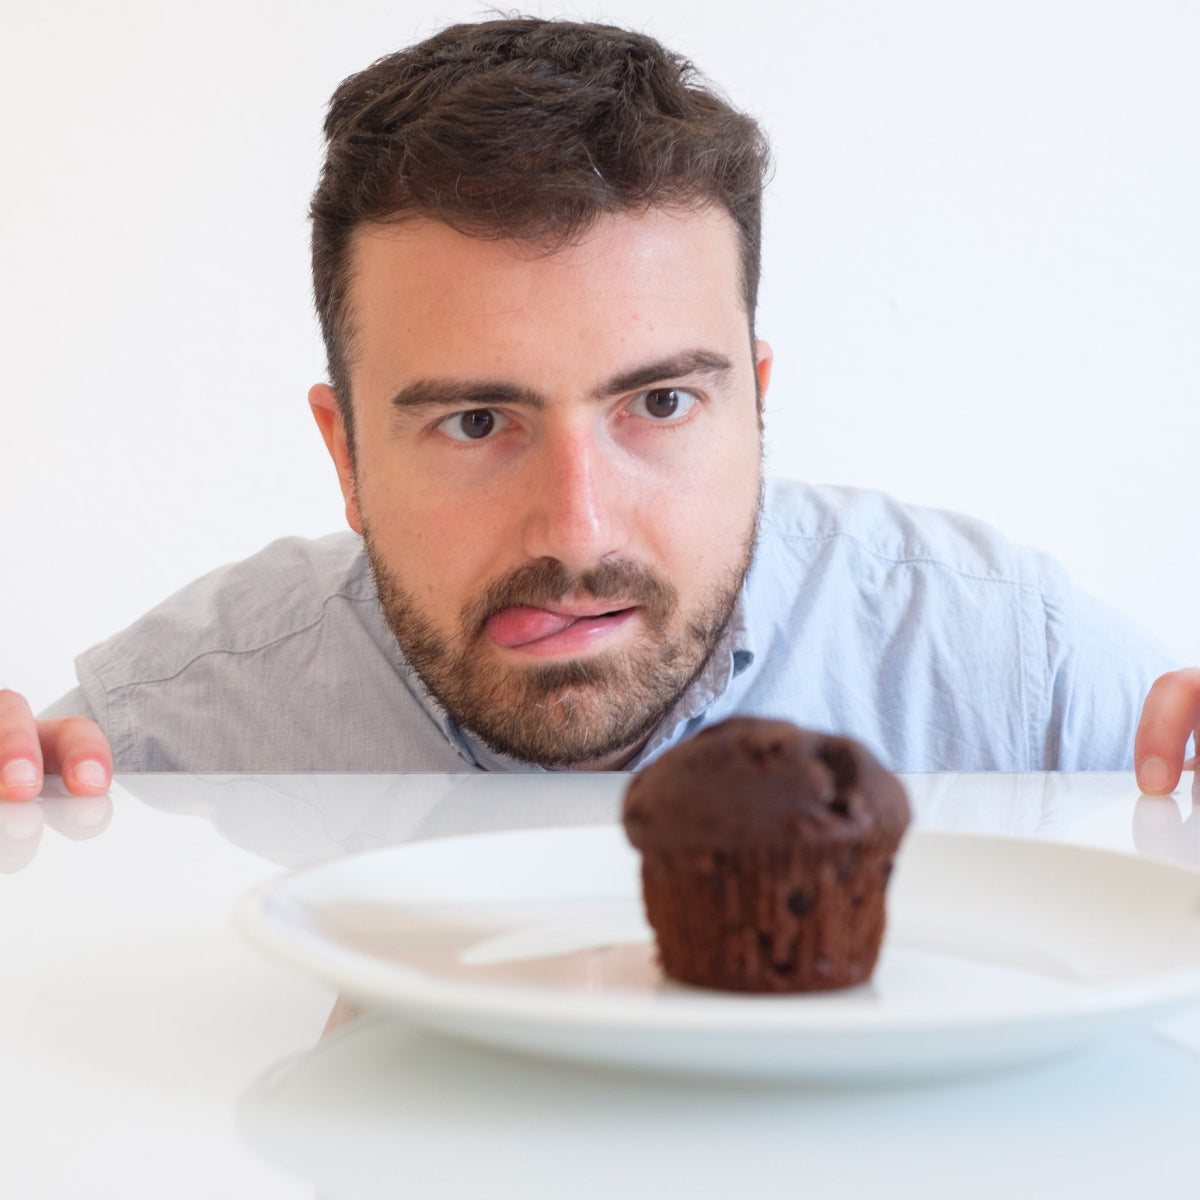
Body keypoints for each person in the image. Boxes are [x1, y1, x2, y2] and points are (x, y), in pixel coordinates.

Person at [0, 16, 1195, 803]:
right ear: (347, 454)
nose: (576, 533)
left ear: (757, 410)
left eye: (661, 403)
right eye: (475, 422)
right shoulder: (162, 755)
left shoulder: (1017, 685)